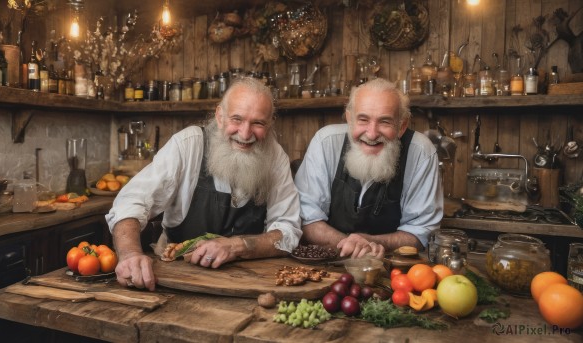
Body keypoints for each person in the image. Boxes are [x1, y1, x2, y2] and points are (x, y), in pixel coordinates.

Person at [106, 77, 302, 291]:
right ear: (220, 116)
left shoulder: (275, 157)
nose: (245, 134)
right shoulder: (188, 145)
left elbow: (288, 229)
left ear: (270, 123)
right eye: (236, 119)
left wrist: (238, 246)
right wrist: (130, 254)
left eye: (258, 123)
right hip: (175, 279)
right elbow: (130, 202)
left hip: (248, 283)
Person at [294, 78, 442, 260]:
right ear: (349, 119)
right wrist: (355, 245)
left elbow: (421, 232)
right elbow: (308, 220)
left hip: (391, 268)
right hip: (327, 262)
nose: (372, 134)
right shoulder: (325, 143)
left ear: (402, 126)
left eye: (385, 122)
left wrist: (375, 243)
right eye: (363, 119)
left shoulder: (420, 152)